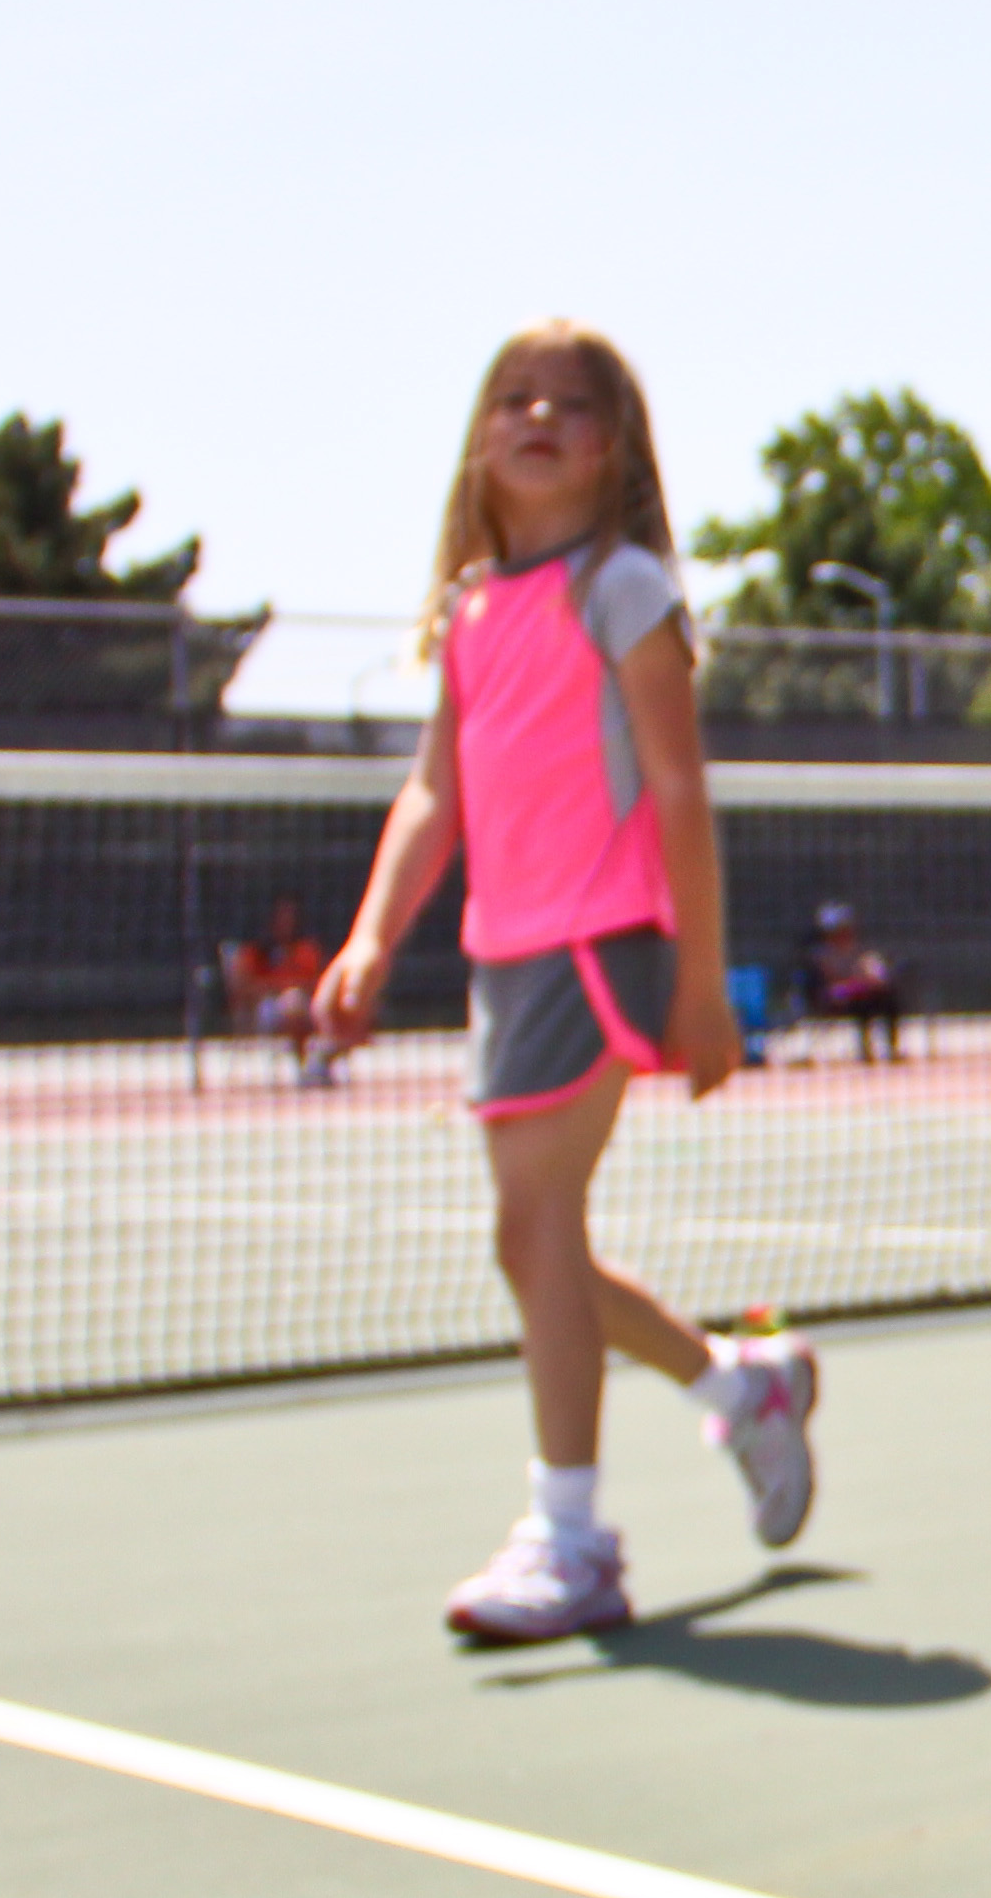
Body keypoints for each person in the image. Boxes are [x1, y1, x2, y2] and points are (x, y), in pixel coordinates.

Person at [312, 322, 818, 1646]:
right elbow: (436, 788)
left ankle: (574, 1537)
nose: (538, 414)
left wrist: (705, 981)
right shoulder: (474, 612)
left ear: (613, 447)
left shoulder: (623, 587)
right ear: (482, 440)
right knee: (533, 1244)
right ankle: (739, 1386)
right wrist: (372, 938)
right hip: (503, 951)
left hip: (607, 939)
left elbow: (678, 785)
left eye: (569, 402)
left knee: (535, 1229)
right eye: (512, 398)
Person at [229, 895, 338, 1082]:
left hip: (307, 1005)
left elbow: (321, 980)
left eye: (290, 918)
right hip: (267, 1008)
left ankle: (319, 1062)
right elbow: (244, 987)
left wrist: (299, 988)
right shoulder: (258, 951)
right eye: (281, 917)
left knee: (308, 1005)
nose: (285, 922)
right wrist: (277, 988)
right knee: (292, 1006)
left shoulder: (306, 949)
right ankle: (306, 1065)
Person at [802, 901, 907, 1061]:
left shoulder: (860, 951)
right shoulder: (822, 954)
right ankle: (865, 1051)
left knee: (888, 999)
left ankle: (892, 1049)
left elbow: (875, 974)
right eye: (837, 930)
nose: (842, 934)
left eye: (845, 929)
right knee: (861, 1004)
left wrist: (873, 978)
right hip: (836, 999)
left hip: (861, 994)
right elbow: (831, 983)